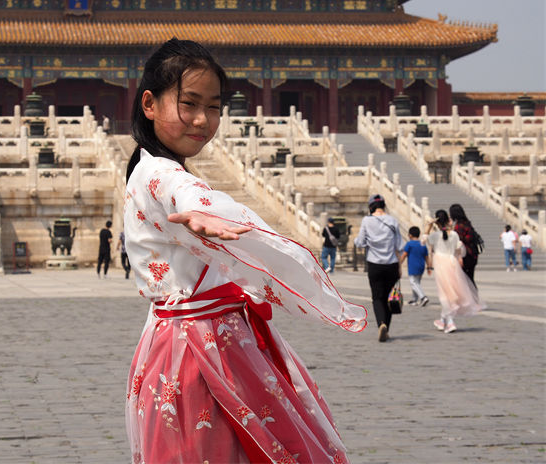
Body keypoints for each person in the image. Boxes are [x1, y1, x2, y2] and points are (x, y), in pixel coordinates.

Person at [123, 38, 366, 464]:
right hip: (198, 347)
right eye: (189, 103)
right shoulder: (159, 172)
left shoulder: (155, 168)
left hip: (194, 335)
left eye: (214, 107)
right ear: (150, 103)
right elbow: (185, 196)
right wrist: (200, 213)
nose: (203, 119)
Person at [354, 194, 405, 343]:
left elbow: (360, 242)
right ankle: (386, 328)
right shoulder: (392, 220)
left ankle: (381, 324)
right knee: (389, 298)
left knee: (377, 298)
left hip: (375, 264)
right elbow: (399, 246)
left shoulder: (367, 221)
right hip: (391, 265)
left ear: (371, 207)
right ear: (383, 206)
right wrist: (400, 266)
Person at [426, 210, 485, 333]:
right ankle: (443, 320)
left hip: (441, 263)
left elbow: (423, 239)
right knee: (452, 291)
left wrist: (429, 226)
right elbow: (459, 250)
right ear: (448, 220)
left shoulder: (436, 235)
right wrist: (458, 258)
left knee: (444, 293)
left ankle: (451, 322)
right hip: (452, 262)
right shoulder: (454, 234)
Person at [449, 203, 482, 286]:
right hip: (473, 254)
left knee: (464, 279)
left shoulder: (459, 226)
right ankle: (474, 297)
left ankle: (470, 297)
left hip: (465, 255)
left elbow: (458, 242)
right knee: (470, 278)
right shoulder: (467, 223)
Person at [399, 226, 429, 306]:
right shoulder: (422, 244)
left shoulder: (409, 244)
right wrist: (429, 266)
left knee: (413, 282)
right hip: (421, 266)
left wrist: (399, 263)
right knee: (417, 282)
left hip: (413, 265)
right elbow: (426, 256)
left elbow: (404, 255)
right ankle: (414, 299)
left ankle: (423, 297)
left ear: (410, 235)